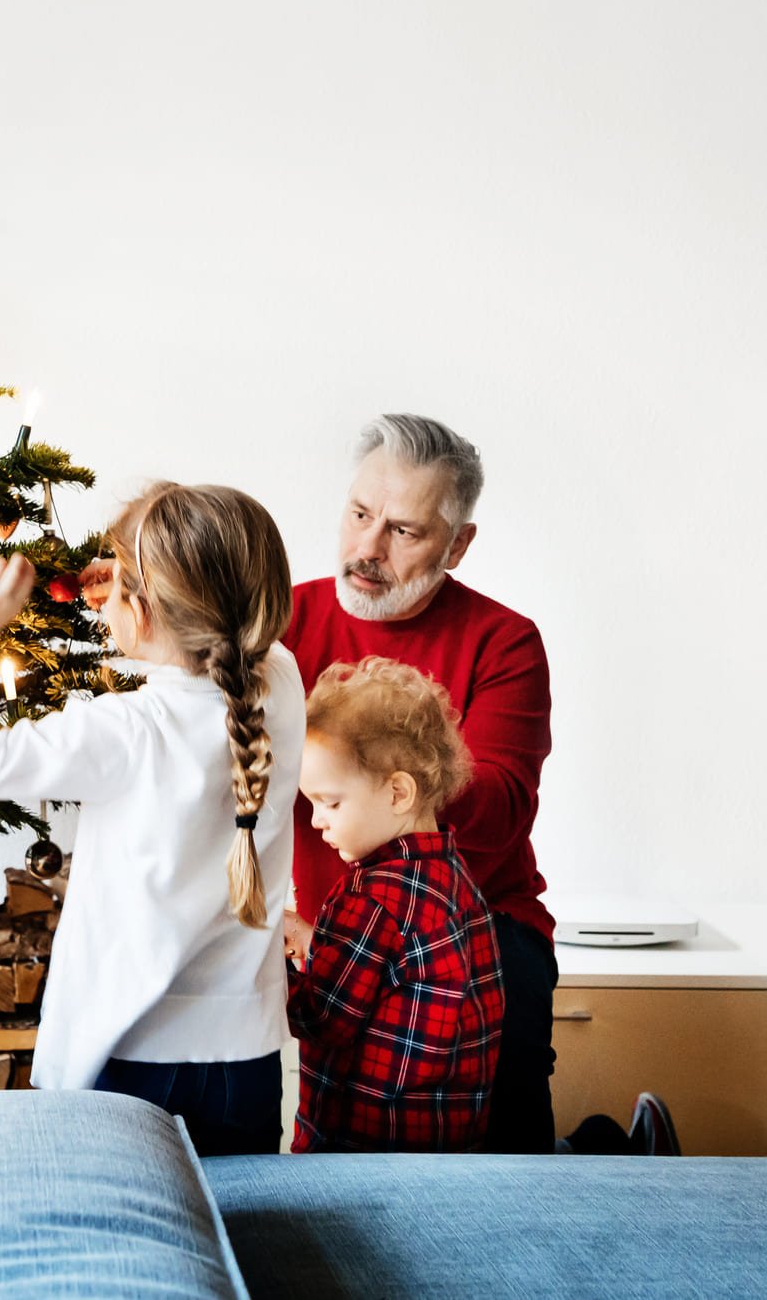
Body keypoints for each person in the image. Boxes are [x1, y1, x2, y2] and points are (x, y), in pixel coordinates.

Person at [0, 483, 304, 1155]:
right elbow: (212, 622)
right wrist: (142, 584)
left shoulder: (127, 731)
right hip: (244, 1058)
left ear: (147, 610)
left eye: (120, 581)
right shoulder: (280, 684)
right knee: (238, 1233)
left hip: (127, 1059)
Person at [283, 414, 557, 1152]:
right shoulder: (277, 623)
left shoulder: (505, 642)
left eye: (403, 531)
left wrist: (389, 752)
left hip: (478, 923)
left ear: (457, 545)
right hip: (334, 922)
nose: (367, 549)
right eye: (360, 514)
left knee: (501, 1121)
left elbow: (497, 817)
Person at [281, 657, 504, 1152]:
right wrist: (315, 944)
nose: (316, 821)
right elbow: (395, 976)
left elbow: (321, 1018)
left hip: (364, 1149)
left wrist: (269, 967)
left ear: (398, 791)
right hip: (446, 1139)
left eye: (330, 802)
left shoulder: (368, 899)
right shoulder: (454, 877)